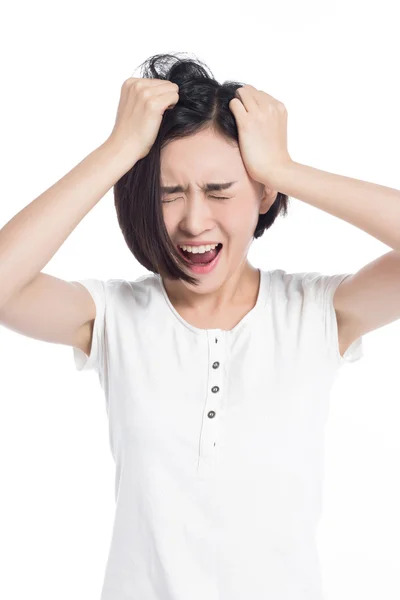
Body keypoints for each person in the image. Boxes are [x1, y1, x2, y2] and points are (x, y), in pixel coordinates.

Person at [1, 52, 399, 600]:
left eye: (218, 191)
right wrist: (118, 150)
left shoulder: (315, 313)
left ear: (260, 194)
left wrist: (285, 171)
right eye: (169, 193)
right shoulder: (113, 317)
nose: (193, 221)